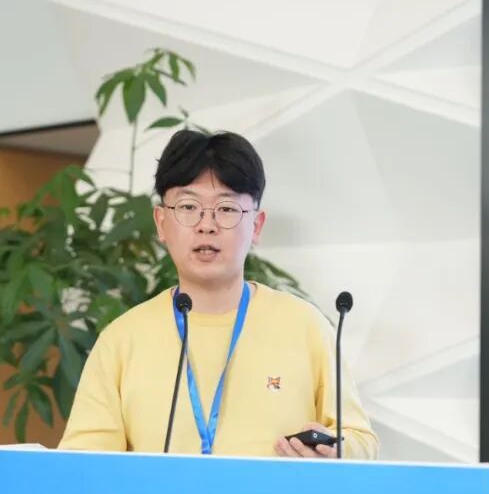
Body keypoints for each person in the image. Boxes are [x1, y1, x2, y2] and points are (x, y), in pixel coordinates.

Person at [58, 130, 378, 459]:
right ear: (161, 222)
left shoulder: (304, 325)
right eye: (188, 206)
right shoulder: (122, 339)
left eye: (226, 208)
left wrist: (334, 452)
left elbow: (361, 442)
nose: (206, 225)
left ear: (256, 225)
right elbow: (82, 465)